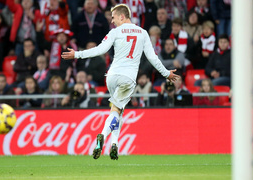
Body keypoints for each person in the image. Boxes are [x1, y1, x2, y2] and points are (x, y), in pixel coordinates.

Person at [61, 4, 179, 160]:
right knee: (117, 110)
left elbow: (99, 50)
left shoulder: (115, 32)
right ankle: (103, 135)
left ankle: (114, 144)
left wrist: (77, 54)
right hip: (128, 78)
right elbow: (152, 58)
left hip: (111, 76)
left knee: (117, 110)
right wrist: (166, 73)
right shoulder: (143, 33)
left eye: (114, 17)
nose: (112, 21)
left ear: (122, 16)